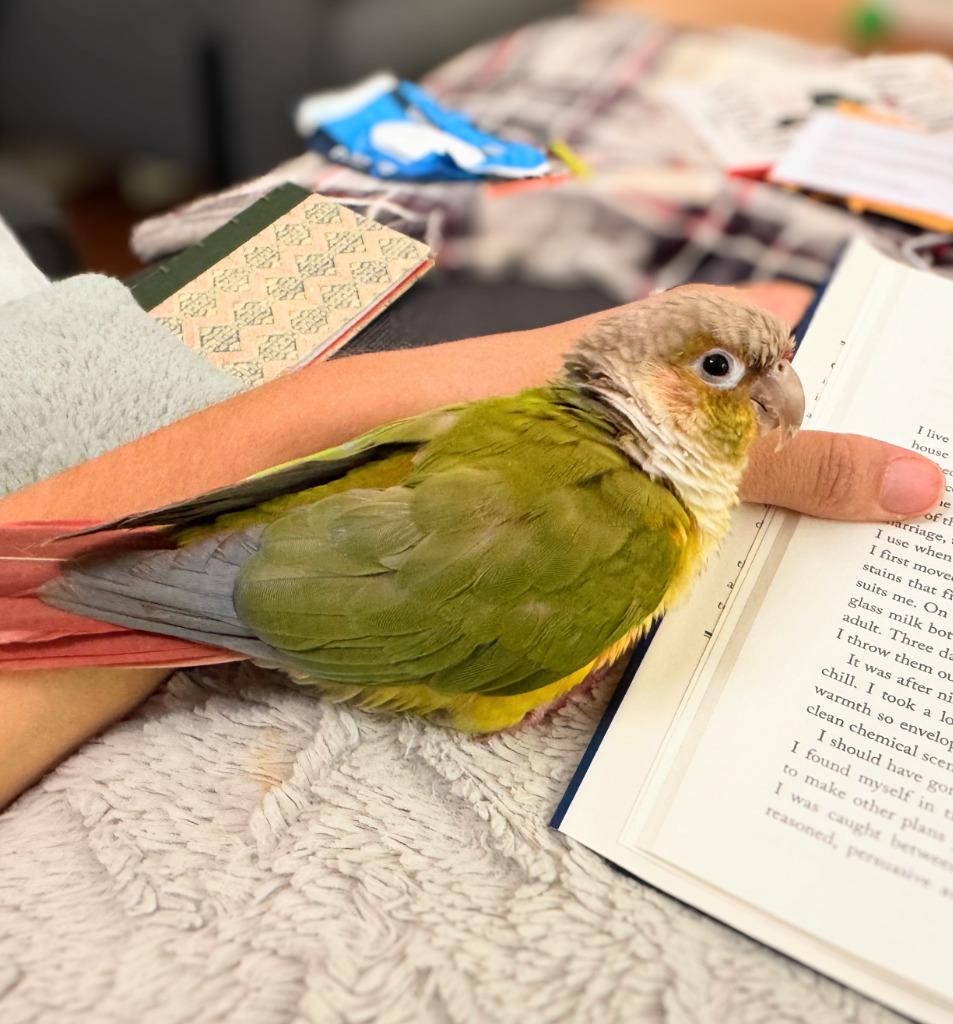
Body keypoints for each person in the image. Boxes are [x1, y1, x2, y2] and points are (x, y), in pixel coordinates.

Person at [0, 281, 943, 807]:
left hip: (315, 549)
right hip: (296, 591)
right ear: (644, 381)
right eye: (719, 371)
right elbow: (474, 686)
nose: (771, 398)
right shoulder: (636, 536)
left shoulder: (529, 419)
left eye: (763, 374)